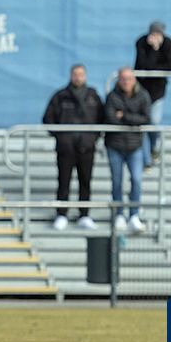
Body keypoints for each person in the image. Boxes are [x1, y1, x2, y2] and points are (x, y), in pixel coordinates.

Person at [42, 64, 105, 230]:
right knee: (63, 181)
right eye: (75, 74)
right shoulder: (60, 96)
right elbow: (48, 119)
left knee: (85, 182)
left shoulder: (93, 96)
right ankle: (61, 214)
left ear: (86, 76)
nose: (78, 77)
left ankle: (84, 214)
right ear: (71, 75)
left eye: (81, 74)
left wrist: (92, 138)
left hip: (86, 147)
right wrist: (62, 138)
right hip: (66, 149)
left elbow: (102, 118)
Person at [104, 67, 151, 233]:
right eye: (123, 79)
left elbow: (146, 119)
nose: (126, 82)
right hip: (115, 146)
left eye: (129, 78)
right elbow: (110, 118)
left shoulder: (143, 95)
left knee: (136, 180)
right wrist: (132, 120)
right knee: (117, 181)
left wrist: (124, 116)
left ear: (134, 79)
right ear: (118, 80)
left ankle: (134, 215)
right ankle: (119, 214)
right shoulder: (112, 96)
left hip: (135, 146)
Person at [134, 21, 171, 168]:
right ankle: (147, 159)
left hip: (158, 90)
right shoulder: (141, 42)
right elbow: (143, 65)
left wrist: (157, 49)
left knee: (154, 121)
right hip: (142, 89)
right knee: (143, 123)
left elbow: (170, 66)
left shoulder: (168, 43)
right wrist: (154, 50)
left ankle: (154, 147)